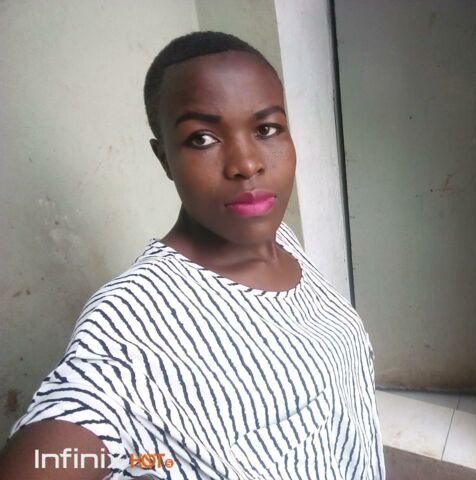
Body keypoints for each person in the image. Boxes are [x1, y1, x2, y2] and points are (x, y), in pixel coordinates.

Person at [0, 31, 385, 479]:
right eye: (202, 138)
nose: (246, 164)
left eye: (266, 129)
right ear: (165, 158)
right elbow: (57, 449)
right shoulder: (131, 320)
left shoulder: (280, 237)